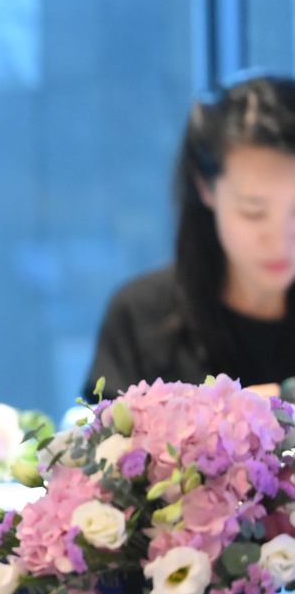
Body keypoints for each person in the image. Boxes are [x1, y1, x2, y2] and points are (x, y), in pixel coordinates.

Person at [85, 75, 295, 400]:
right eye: (253, 212)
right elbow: (102, 429)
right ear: (205, 188)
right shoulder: (141, 315)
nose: (281, 241)